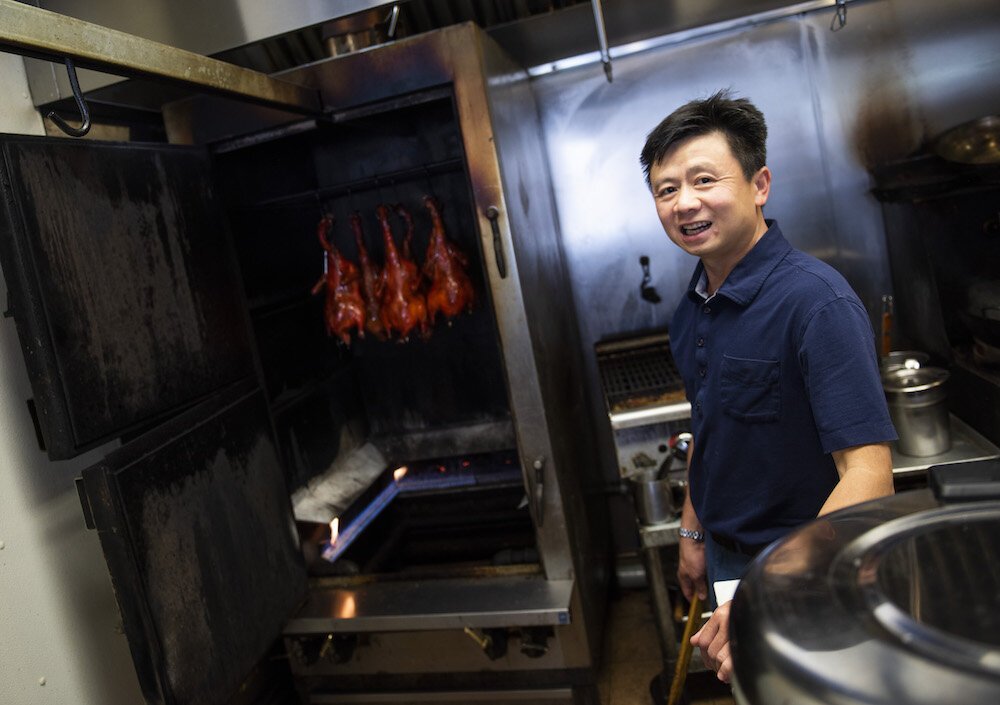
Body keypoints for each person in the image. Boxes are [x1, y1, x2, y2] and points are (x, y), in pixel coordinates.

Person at [638, 90, 897, 684]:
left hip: (814, 563)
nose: (686, 202)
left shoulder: (816, 302)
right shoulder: (693, 307)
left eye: (705, 179)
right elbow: (709, 427)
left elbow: (869, 472)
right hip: (730, 555)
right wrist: (692, 532)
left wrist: (771, 583)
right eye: (667, 189)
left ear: (760, 185)